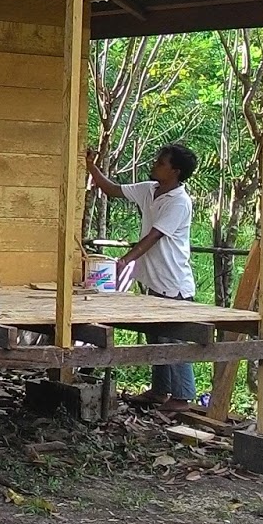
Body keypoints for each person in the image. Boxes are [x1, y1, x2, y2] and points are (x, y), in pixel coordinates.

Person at [85, 144, 198, 412]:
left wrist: (126, 259)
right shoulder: (149, 189)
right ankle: (160, 391)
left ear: (175, 171)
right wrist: (90, 167)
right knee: (156, 337)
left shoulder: (180, 202)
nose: (155, 164)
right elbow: (113, 189)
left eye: (161, 163)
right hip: (154, 279)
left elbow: (154, 237)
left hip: (173, 282)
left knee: (174, 341)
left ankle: (182, 397)